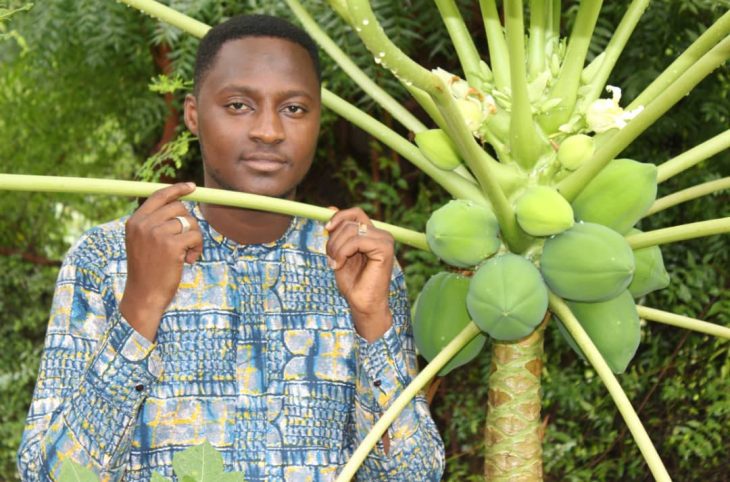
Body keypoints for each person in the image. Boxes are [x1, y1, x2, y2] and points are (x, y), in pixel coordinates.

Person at [17, 14, 445, 481]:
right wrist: (139, 309)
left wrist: (372, 323)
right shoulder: (106, 259)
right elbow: (48, 475)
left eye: (295, 109)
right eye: (239, 105)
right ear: (194, 114)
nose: (268, 130)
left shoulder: (358, 263)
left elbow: (413, 476)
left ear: (319, 119)